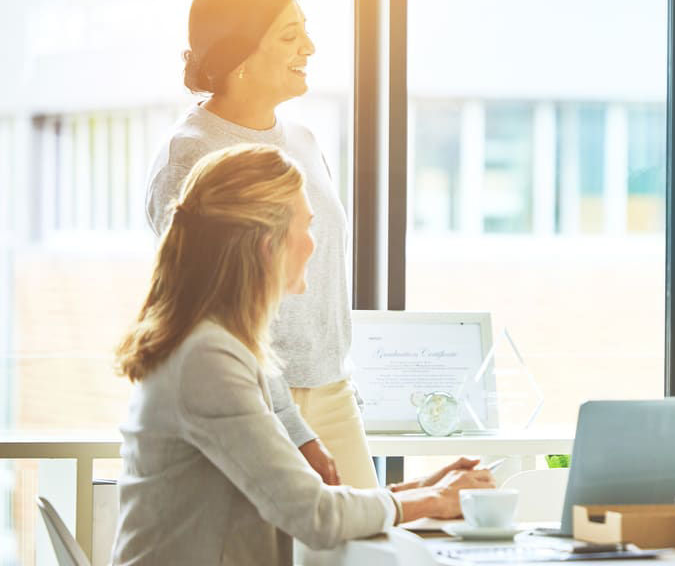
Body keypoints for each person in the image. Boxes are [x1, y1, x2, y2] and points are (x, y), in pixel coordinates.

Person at [113, 144, 494, 564]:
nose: (314, 246)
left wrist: (423, 490)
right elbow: (314, 515)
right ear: (266, 244)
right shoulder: (208, 360)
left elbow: (302, 497)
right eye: (308, 227)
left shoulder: (212, 345)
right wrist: (434, 500)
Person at [147, 0, 370, 487]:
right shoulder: (193, 156)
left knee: (368, 547)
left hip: (333, 393)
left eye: (306, 30)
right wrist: (292, 426)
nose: (309, 47)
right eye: (290, 36)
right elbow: (206, 314)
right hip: (246, 398)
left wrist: (336, 384)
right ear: (238, 55)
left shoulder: (305, 142)